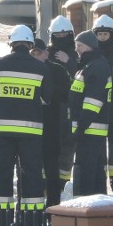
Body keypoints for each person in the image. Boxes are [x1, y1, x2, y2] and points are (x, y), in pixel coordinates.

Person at [0, 24, 53, 226]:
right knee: (31, 174)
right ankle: (32, 220)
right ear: (30, 44)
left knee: (2, 173)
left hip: (2, 131)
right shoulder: (40, 68)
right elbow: (48, 98)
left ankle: (1, 219)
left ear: (11, 43)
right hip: (30, 132)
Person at [68, 30, 111, 196]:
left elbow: (93, 101)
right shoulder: (88, 65)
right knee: (94, 168)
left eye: (80, 45)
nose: (77, 49)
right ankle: (96, 202)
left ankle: (86, 201)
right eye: (76, 45)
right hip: (89, 128)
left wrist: (81, 126)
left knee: (86, 167)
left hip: (90, 128)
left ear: (90, 46)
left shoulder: (96, 66)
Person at [30, 37, 70, 208]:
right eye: (33, 53)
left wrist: (48, 90)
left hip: (51, 126)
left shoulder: (57, 70)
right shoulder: (24, 69)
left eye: (39, 52)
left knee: (52, 168)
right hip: (29, 127)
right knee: (30, 169)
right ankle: (32, 207)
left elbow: (67, 93)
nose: (36, 56)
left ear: (46, 53)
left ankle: (53, 206)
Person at [92, 15, 113, 192]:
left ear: (112, 34)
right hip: (96, 107)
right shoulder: (92, 54)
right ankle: (100, 177)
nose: (103, 37)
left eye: (106, 34)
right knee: (97, 146)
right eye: (100, 34)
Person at [46, 15, 77, 187]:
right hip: (50, 105)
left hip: (69, 106)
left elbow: (81, 75)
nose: (60, 39)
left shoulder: (76, 54)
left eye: (64, 36)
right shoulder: (47, 54)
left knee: (67, 144)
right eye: (57, 36)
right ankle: (48, 179)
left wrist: (70, 61)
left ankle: (63, 180)